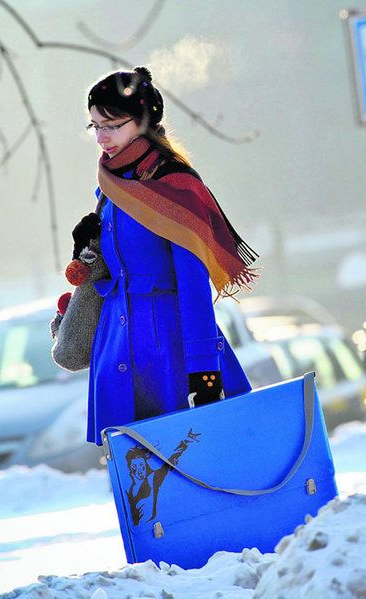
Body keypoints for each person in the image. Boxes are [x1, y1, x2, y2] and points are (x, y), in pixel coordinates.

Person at [80, 66, 259, 446]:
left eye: (111, 125)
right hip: (118, 352)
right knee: (140, 492)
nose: (101, 137)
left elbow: (193, 289)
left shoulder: (176, 187)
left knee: (195, 471)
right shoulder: (109, 187)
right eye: (94, 126)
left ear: (143, 121)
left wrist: (204, 374)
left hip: (169, 358)